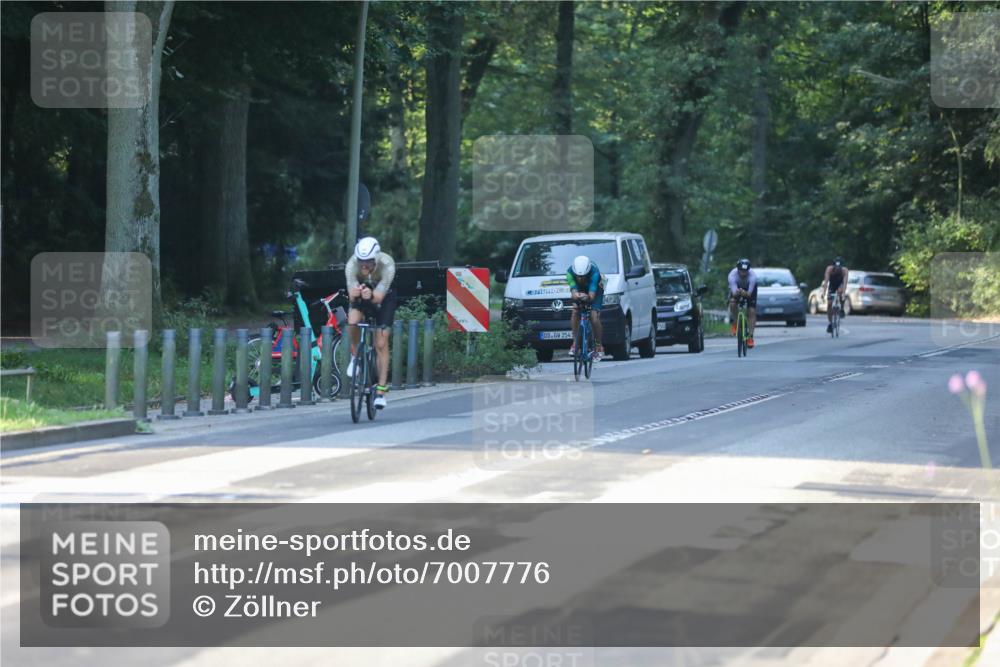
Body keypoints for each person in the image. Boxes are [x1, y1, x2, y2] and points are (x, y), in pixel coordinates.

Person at [345, 237, 397, 409]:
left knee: (381, 342)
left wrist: (371, 295)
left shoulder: (387, 264)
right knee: (352, 322)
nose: (364, 265)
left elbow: (379, 297)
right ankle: (356, 355)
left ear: (376, 258)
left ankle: (381, 391)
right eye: (361, 261)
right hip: (362, 291)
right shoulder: (351, 265)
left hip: (384, 296)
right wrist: (355, 294)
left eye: (368, 261)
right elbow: (352, 296)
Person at [567, 255, 605, 360]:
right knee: (575, 311)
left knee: (594, 317)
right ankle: (575, 343)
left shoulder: (595, 273)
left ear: (588, 272)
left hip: (596, 288)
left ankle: (598, 345)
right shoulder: (569, 273)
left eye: (583, 276)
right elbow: (574, 292)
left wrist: (587, 297)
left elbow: (592, 296)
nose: (580, 278)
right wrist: (577, 296)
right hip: (580, 289)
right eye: (578, 276)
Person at [728, 258, 757, 349]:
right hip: (737, 288)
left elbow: (749, 294)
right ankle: (735, 322)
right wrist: (738, 292)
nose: (743, 273)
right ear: (738, 269)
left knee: (751, 311)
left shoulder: (753, 277)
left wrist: (745, 293)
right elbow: (734, 293)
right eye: (741, 271)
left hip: (749, 290)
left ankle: (750, 337)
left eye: (745, 271)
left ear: (748, 270)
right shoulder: (732, 276)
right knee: (732, 303)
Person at [822, 256, 849, 333]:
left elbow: (845, 283)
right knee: (829, 304)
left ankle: (842, 308)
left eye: (839, 268)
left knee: (840, 291)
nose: (837, 270)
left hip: (840, 284)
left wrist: (843, 294)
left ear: (842, 267)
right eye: (836, 268)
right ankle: (830, 323)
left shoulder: (845, 270)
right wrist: (824, 293)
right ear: (833, 266)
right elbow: (826, 282)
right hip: (832, 285)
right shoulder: (829, 269)